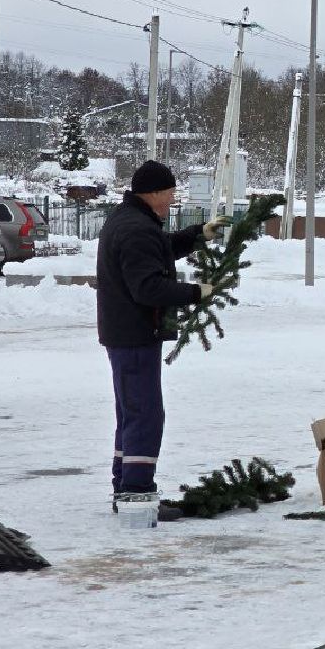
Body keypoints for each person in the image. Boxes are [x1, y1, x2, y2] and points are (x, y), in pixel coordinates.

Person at [96, 159, 228, 522]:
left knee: (131, 414)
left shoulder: (132, 221)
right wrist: (195, 292)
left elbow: (161, 248)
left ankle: (125, 489)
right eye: (170, 192)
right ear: (153, 193)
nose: (173, 198)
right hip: (135, 334)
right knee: (144, 415)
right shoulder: (136, 229)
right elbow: (148, 287)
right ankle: (137, 495)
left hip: (127, 334)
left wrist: (201, 233)